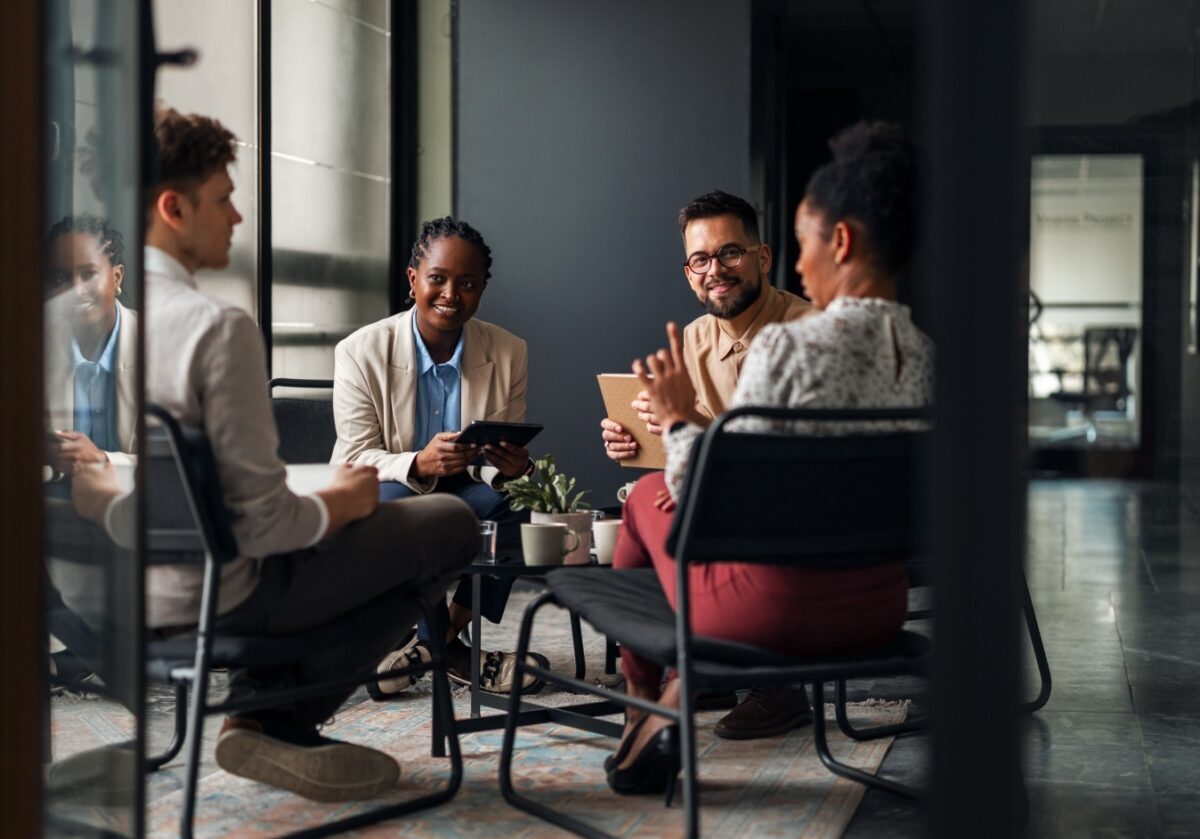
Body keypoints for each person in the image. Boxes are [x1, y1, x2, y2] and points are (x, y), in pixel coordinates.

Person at [69, 106, 478, 802]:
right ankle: (272, 712)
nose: (236, 217)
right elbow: (263, 528)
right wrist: (341, 500)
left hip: (111, 593)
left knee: (376, 535)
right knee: (449, 526)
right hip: (222, 598)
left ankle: (265, 710)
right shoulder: (214, 328)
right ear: (173, 207)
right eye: (224, 199)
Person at [604, 121, 933, 797]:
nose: (802, 267)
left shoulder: (792, 345)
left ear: (840, 241)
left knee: (641, 502)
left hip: (773, 614)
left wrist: (671, 421)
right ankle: (662, 692)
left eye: (806, 244)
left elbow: (724, 502)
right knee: (654, 500)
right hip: (879, 605)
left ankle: (648, 696)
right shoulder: (924, 354)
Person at [600, 190, 813, 740]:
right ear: (688, 271)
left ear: (763, 258)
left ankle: (762, 684)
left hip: (789, 519)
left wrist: (687, 424)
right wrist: (637, 440)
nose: (714, 271)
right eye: (700, 260)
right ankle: (686, 668)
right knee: (647, 495)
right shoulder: (693, 338)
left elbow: (788, 464)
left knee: (648, 512)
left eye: (729, 254)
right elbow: (679, 445)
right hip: (717, 502)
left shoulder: (807, 336)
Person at [331, 216, 546, 697]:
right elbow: (352, 458)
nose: (452, 294)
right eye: (438, 279)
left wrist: (512, 468)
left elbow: (497, 456)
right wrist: (418, 463)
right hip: (392, 485)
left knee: (519, 509)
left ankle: (436, 638)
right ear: (413, 281)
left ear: (482, 289)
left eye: (467, 284)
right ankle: (452, 653)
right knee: (391, 507)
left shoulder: (510, 352)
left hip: (466, 487)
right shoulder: (360, 352)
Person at [44, 215, 137, 472]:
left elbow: (171, 463)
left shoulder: (160, 347)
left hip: (137, 506)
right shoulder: (30, 347)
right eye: (61, 279)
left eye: (89, 274)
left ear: (117, 277)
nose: (76, 290)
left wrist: (102, 460)